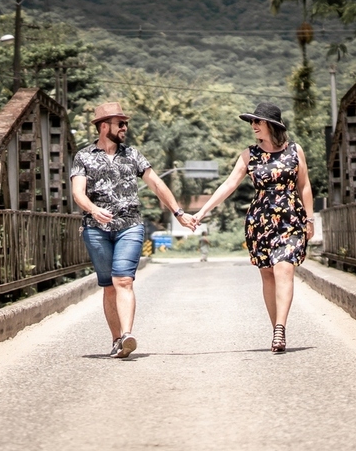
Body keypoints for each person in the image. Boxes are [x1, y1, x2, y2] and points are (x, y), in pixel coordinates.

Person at [71, 101, 196, 358]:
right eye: (121, 123)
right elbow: (77, 193)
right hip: (96, 228)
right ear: (104, 126)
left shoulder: (133, 155)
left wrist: (179, 212)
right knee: (108, 285)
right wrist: (94, 210)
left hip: (130, 226)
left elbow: (157, 185)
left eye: (125, 123)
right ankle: (117, 340)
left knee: (123, 280)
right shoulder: (83, 156)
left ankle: (127, 334)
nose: (125, 127)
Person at [192, 102, 314, 353]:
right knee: (268, 275)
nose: (253, 126)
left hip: (291, 218)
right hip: (260, 221)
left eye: (257, 122)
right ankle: (276, 331)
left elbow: (304, 186)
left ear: (271, 124)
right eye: (252, 122)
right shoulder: (249, 155)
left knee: (284, 269)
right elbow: (228, 185)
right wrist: (202, 212)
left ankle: (280, 327)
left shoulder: (294, 151)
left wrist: (309, 219)